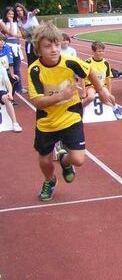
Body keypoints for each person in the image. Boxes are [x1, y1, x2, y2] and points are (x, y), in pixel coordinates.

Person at [28, 23, 114, 201]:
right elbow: (37, 101)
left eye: (57, 45)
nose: (53, 50)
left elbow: (89, 71)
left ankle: (65, 161)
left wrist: (102, 90)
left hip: (71, 116)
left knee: (78, 159)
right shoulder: (35, 70)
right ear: (38, 48)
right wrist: (61, 96)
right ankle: (50, 180)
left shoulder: (70, 62)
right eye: (48, 46)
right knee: (44, 160)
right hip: (47, 121)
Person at [81, 41, 122, 119]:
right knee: (91, 97)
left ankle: (114, 108)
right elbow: (82, 78)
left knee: (110, 97)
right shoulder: (87, 62)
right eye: (99, 51)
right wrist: (83, 92)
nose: (101, 53)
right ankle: (79, 109)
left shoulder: (106, 63)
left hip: (101, 86)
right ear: (93, 51)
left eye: (102, 51)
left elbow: (108, 78)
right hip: (90, 85)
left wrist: (109, 91)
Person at [2, 6, 24, 93]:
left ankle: (19, 88)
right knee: (8, 67)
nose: (11, 15)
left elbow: (20, 35)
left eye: (12, 13)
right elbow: (10, 32)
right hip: (7, 47)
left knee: (17, 68)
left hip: (16, 47)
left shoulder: (16, 23)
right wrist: (11, 22)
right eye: (9, 13)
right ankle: (8, 87)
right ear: (5, 14)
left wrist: (12, 34)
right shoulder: (2, 22)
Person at [0, 53, 21, 132]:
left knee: (7, 99)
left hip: (0, 90)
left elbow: (8, 83)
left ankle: (15, 123)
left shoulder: (1, 67)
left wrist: (9, 92)